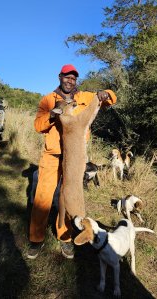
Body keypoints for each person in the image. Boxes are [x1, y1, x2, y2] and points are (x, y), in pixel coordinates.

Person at [27, 64, 117, 259]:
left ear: (76, 80)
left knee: (68, 197)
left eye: (73, 78)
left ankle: (66, 238)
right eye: (67, 77)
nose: (70, 80)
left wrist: (105, 93)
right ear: (60, 77)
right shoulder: (48, 99)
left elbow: (111, 98)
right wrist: (53, 113)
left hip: (74, 160)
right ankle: (36, 239)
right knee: (42, 197)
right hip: (52, 156)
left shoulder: (84, 97)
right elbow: (38, 126)